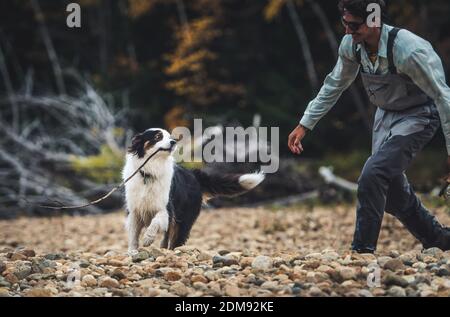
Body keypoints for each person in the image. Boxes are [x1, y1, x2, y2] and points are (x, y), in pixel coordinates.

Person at [288, 0, 450, 253]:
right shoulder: (352, 45)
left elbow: (443, 97)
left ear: (374, 20)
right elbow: (334, 84)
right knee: (392, 193)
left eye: (354, 25)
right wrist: (305, 124)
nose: (348, 31)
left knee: (373, 174)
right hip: (385, 116)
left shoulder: (409, 50)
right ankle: (439, 239)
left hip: (419, 116)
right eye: (345, 23)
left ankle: (362, 251)